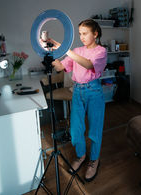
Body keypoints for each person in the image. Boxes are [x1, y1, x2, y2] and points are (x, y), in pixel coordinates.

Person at [42, 19, 107, 182]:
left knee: (95, 130)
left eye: (85, 34)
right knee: (76, 130)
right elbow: (61, 67)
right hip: (77, 91)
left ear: (95, 34)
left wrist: (63, 48)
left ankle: (94, 160)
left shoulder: (101, 51)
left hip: (94, 92)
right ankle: (81, 155)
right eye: (80, 34)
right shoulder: (77, 50)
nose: (82, 37)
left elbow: (87, 64)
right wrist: (52, 55)